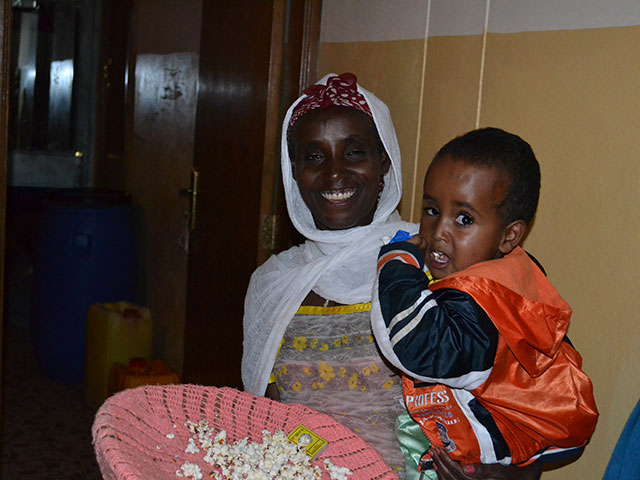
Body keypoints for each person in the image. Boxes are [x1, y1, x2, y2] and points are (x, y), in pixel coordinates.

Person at [242, 74, 545, 479]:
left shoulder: (437, 262)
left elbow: (538, 404)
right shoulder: (273, 284)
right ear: (293, 170)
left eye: (354, 153)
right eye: (313, 157)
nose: (334, 174)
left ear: (383, 162)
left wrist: (499, 475)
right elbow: (266, 419)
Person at [370, 127, 599, 475]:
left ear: (509, 236)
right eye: (431, 210)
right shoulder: (512, 274)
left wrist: (396, 266)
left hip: (506, 443)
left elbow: (419, 350)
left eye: (464, 219)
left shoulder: (483, 301)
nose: (439, 232)